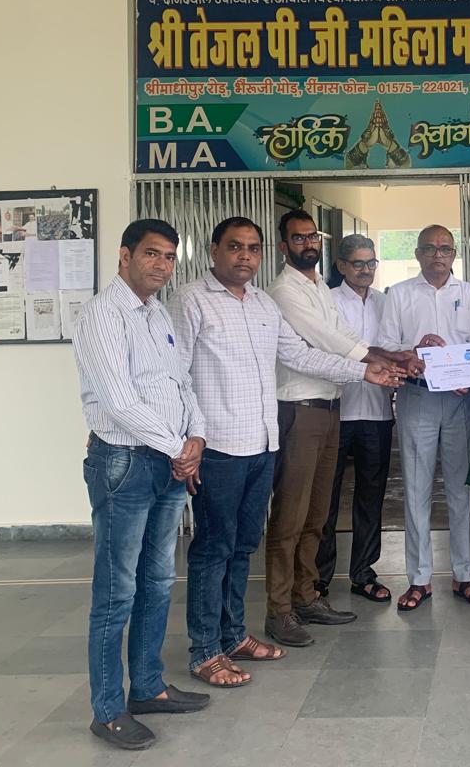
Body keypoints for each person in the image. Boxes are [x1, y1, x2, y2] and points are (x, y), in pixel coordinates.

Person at [170, 218, 400, 686]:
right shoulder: (192, 300)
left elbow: (298, 353)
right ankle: (207, 649)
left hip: (262, 440)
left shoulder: (260, 303)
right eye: (235, 247)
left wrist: (366, 372)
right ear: (214, 250)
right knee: (215, 548)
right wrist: (184, 438)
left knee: (244, 545)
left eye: (251, 248)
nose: (245, 256)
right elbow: (174, 373)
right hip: (217, 442)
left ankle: (235, 635)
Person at [72, 219, 210, 750]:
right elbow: (119, 401)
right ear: (124, 256)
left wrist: (195, 436)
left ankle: (148, 687)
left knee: (157, 582)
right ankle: (108, 710)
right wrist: (179, 449)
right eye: (152, 254)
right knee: (117, 591)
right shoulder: (103, 315)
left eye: (170, 256)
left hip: (169, 464)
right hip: (124, 465)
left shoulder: (158, 314)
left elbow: (182, 383)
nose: (163, 265)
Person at [265, 210, 412, 647]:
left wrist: (389, 356)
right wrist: (372, 366)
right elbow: (324, 341)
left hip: (330, 405)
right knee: (291, 516)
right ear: (283, 246)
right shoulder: (284, 291)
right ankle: (280, 610)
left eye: (312, 236)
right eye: (298, 238)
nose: (307, 243)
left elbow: (342, 332)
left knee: (317, 513)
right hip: (300, 408)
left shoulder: (315, 288)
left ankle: (307, 595)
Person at [377, 225, 470, 610]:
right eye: (429, 248)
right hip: (418, 397)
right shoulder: (399, 294)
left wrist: (464, 374)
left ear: (454, 253)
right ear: (417, 254)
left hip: (461, 400)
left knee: (460, 489)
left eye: (445, 248)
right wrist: (415, 349)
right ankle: (419, 580)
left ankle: (464, 574)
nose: (437, 254)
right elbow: (386, 345)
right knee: (416, 488)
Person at [317, 235, 397, 604]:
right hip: (336, 410)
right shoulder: (327, 301)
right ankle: (318, 577)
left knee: (371, 495)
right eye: (358, 263)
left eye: (371, 263)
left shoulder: (386, 303)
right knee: (325, 497)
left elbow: (395, 349)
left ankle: (363, 573)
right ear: (341, 266)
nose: (366, 270)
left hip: (377, 412)